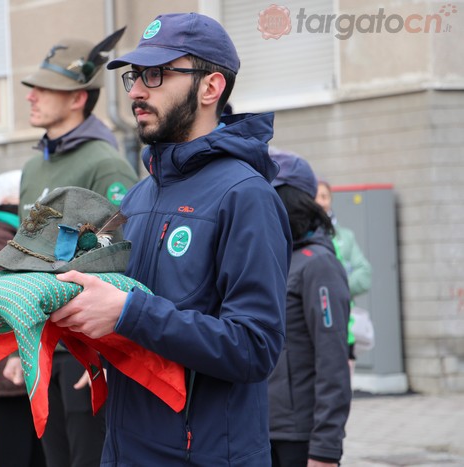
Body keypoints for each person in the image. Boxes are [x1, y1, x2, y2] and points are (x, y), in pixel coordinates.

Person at [47, 13, 292, 465]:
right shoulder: (139, 197)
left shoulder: (245, 196)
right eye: (135, 76)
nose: (137, 91)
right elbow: (133, 316)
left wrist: (129, 314)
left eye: (156, 74)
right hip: (125, 452)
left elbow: (254, 348)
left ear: (210, 87)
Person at [7, 30, 139, 467]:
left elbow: (122, 260)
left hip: (86, 351)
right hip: (43, 345)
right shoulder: (33, 167)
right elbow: (23, 259)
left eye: (45, 89)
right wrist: (19, 343)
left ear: (79, 98)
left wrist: (107, 353)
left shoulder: (105, 163)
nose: (31, 96)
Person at [268, 152, 352, 467]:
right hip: (262, 431)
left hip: (300, 438)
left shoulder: (318, 265)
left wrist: (325, 448)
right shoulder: (273, 259)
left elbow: (333, 361)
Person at [0, 170, 46, 467]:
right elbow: (9, 303)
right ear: (5, 199)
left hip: (16, 369)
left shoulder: (9, 236)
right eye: (25, 194)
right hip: (7, 372)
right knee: (14, 455)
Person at [315, 179, 373, 368]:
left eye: (324, 196)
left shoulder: (345, 237)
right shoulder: (303, 235)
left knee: (343, 380)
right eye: (315, 196)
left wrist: (336, 288)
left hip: (344, 326)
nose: (320, 201)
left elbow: (364, 274)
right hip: (316, 325)